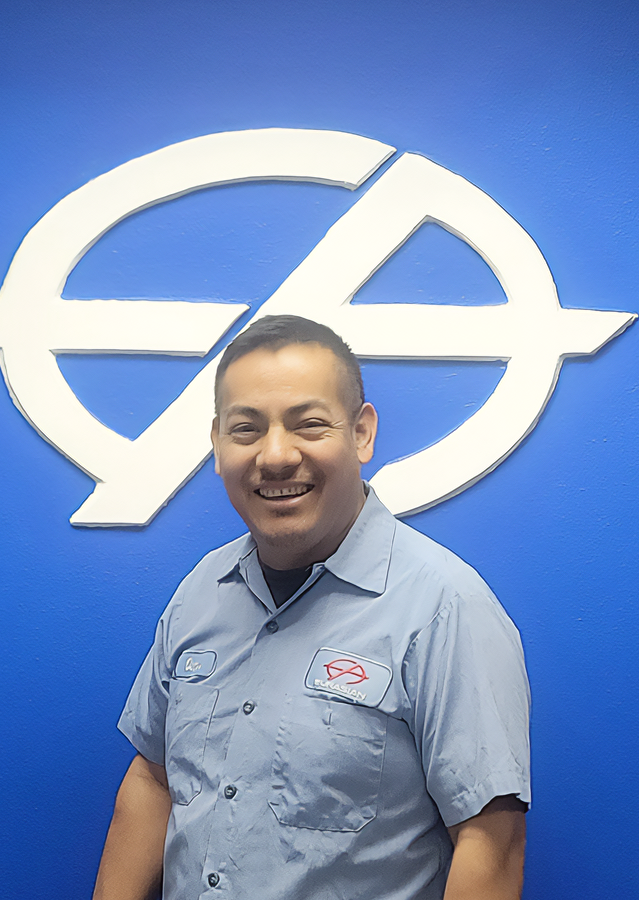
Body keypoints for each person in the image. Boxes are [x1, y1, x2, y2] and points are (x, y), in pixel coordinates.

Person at [93, 315, 531, 900]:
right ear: (218, 445)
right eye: (246, 429)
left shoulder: (444, 608)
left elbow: (492, 842)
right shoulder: (201, 592)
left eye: (309, 424)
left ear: (362, 434)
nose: (275, 456)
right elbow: (152, 776)